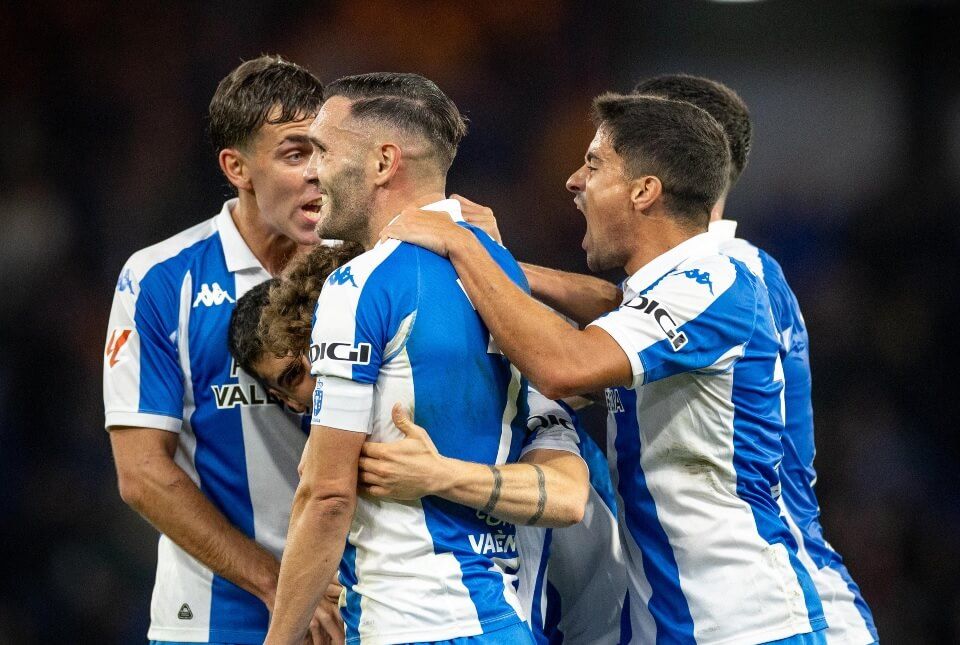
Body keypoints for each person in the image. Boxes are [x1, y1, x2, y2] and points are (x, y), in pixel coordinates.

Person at [381, 94, 828, 644]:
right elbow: (612, 305)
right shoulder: (668, 290)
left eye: (594, 165)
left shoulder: (715, 277)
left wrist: (461, 245)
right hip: (675, 622)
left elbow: (563, 366)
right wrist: (498, 261)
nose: (574, 180)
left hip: (746, 625)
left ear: (644, 191)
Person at [264, 72, 566, 645]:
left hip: (412, 622)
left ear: (383, 163)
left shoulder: (363, 284)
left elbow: (327, 495)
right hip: (498, 617)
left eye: (323, 150)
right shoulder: (503, 273)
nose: (311, 172)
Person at [227, 242, 593, 642]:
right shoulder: (335, 438)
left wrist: (441, 475)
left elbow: (568, 497)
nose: (321, 374)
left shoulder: (512, 389)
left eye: (319, 354)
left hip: (504, 619)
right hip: (458, 622)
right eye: (296, 375)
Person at [633, 74, 878, 644]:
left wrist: (476, 258)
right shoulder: (698, 280)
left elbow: (575, 355)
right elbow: (613, 308)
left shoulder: (725, 275)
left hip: (783, 609)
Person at [103, 55, 331, 645]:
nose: (317, 174)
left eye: (324, 151)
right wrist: (279, 585)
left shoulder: (364, 267)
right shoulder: (159, 280)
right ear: (237, 167)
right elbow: (142, 474)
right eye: (295, 154)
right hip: (214, 620)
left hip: (359, 608)